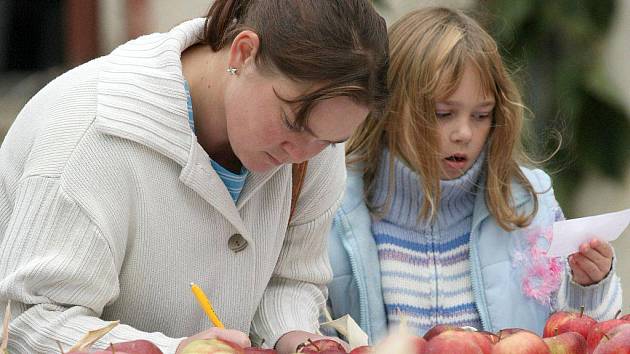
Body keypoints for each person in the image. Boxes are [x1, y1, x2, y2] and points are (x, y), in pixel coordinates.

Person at [0, 1, 389, 353]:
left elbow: (289, 281)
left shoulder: (313, 140)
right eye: (291, 123)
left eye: (331, 140)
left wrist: (301, 341)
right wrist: (176, 350)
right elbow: (29, 322)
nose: (303, 153)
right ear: (244, 52)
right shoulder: (90, 133)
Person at [326, 6, 621, 344]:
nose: (464, 132)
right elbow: (312, 327)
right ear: (390, 108)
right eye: (443, 113)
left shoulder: (529, 204)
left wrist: (589, 285)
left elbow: (575, 337)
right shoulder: (336, 206)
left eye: (481, 115)